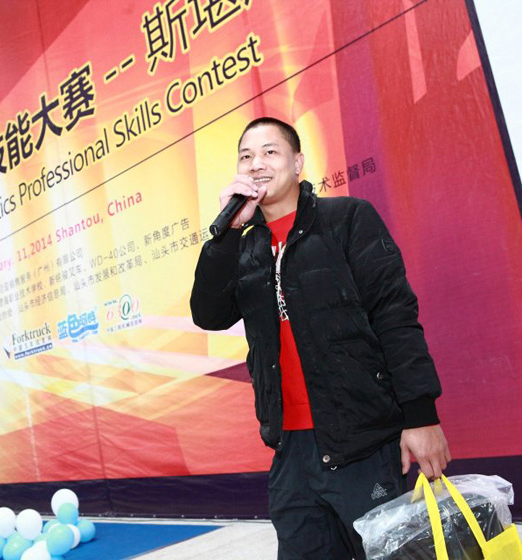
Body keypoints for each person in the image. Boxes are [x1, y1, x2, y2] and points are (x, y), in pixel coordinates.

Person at [190, 117, 451, 559]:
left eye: (270, 152)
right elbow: (208, 314)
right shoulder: (245, 248)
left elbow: (394, 317)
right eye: (246, 156)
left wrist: (421, 415)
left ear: (298, 164)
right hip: (290, 452)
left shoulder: (346, 219)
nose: (256, 164)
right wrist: (228, 234)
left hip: (362, 442)